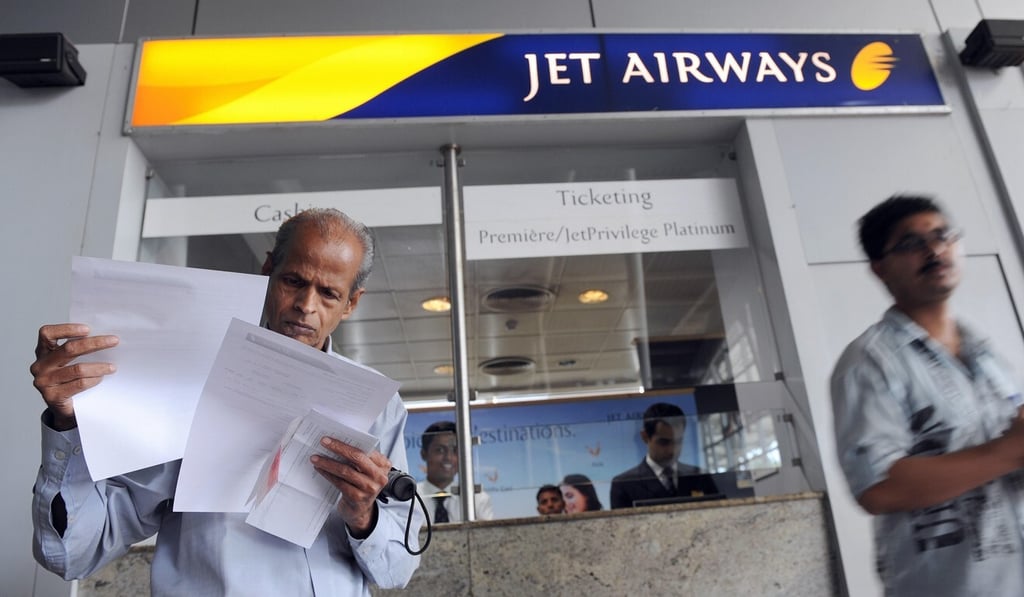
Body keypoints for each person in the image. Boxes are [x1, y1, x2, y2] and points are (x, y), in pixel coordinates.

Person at [29, 208, 422, 595]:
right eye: (294, 281)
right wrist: (67, 423)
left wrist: (363, 516)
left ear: (352, 303)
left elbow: (398, 571)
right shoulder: (188, 386)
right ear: (268, 270)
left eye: (329, 293)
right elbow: (71, 554)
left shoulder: (379, 407)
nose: (306, 305)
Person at [831, 195, 1024, 596]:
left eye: (942, 235)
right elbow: (880, 487)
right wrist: (1012, 451)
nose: (934, 249)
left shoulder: (985, 353)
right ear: (879, 269)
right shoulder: (869, 361)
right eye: (910, 243)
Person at [609, 402, 719, 509]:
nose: (672, 450)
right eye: (663, 442)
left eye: (678, 441)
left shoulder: (700, 477)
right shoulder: (624, 485)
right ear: (645, 437)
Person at [416, 421, 494, 523]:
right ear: (424, 454)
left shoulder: (477, 499)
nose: (448, 458)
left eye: (455, 450)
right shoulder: (409, 499)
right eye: (440, 450)